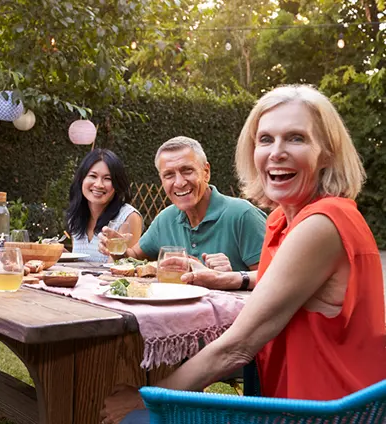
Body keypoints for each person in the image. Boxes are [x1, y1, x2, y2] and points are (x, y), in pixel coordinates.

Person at [100, 85, 386, 424]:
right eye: (265, 140)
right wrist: (231, 278)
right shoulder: (283, 219)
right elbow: (290, 284)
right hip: (296, 401)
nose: (276, 152)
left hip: (326, 412)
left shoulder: (322, 223)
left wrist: (145, 400)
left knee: (128, 419)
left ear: (327, 152)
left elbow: (238, 346)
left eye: (296, 138)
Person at [99, 136, 267, 288]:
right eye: (169, 175)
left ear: (206, 172)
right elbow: (133, 257)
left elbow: (274, 280)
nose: (179, 182)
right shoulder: (165, 219)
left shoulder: (243, 215)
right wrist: (117, 248)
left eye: (187, 170)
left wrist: (229, 277)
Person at [66, 148, 143, 263]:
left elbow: (121, 267)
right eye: (93, 176)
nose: (99, 184)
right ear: (82, 179)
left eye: (108, 178)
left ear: (117, 184)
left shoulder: (128, 217)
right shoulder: (75, 216)